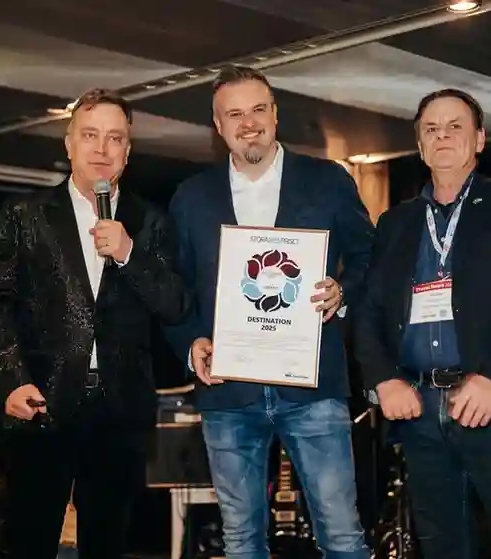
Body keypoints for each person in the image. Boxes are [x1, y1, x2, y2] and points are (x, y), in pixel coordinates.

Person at [164, 65, 374, 559]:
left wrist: (343, 290)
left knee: (342, 535)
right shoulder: (191, 197)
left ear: (275, 114)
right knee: (241, 540)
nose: (249, 123)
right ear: (218, 126)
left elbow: (370, 256)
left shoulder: (327, 180)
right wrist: (191, 342)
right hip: (228, 391)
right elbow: (174, 288)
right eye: (234, 114)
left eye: (258, 109)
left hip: (313, 386)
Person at [0, 88, 190, 559]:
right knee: (28, 542)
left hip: (120, 411)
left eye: (115, 138)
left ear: (127, 152)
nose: (102, 149)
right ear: (69, 144)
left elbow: (175, 306)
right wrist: (11, 380)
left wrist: (129, 254)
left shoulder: (151, 221)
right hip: (41, 402)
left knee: (108, 544)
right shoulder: (25, 215)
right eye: (90, 135)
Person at [354, 88, 491, 559]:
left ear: (480, 139)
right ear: (420, 145)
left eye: (455, 127)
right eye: (431, 129)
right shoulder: (395, 222)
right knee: (442, 547)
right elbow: (367, 311)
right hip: (418, 409)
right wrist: (383, 379)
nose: (442, 136)